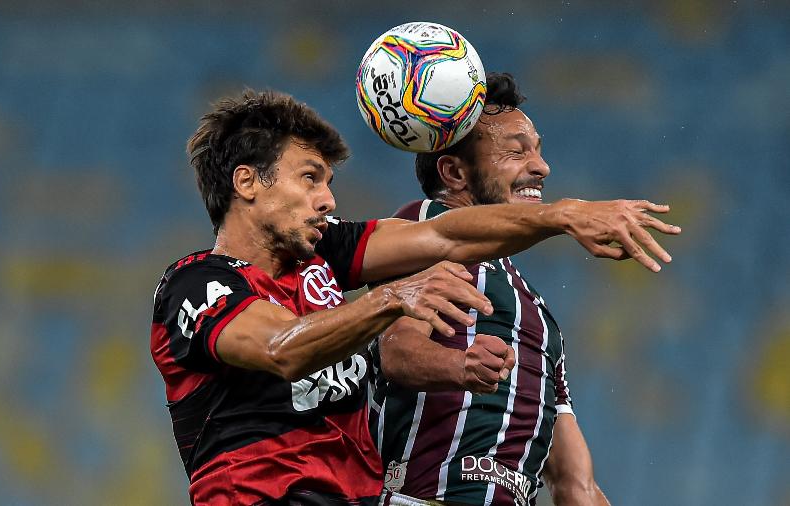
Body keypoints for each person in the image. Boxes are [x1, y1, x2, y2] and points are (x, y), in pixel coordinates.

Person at [150, 89, 678, 505]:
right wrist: (393, 298)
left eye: (329, 182)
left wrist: (565, 215)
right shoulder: (195, 282)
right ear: (247, 182)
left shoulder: (326, 255)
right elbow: (280, 348)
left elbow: (447, 235)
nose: (327, 199)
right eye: (309, 179)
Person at [372, 74, 611, 505]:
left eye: (538, 149)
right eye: (517, 151)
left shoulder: (537, 314)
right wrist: (461, 364)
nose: (541, 167)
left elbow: (576, 484)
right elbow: (395, 350)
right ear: (455, 171)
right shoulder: (421, 226)